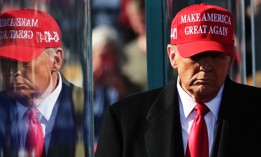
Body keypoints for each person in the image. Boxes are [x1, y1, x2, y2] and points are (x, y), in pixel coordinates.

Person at [95, 3, 261, 157]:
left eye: (216, 55)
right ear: (172, 56)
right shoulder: (125, 121)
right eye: (196, 55)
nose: (206, 65)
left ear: (230, 59)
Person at [0, 9, 86, 157]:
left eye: (24, 62)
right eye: (5, 62)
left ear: (56, 60)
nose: (13, 71)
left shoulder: (90, 108)